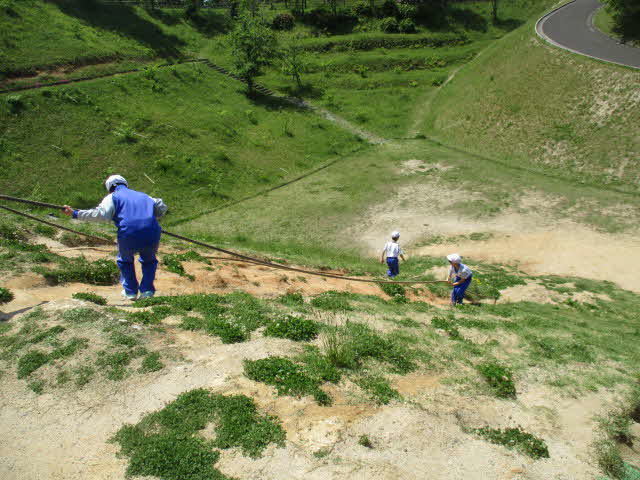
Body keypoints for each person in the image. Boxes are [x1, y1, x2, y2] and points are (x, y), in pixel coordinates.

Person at [62, 175, 168, 301]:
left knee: (125, 260)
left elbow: (100, 214)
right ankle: (147, 291)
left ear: (110, 188)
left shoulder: (112, 197)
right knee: (149, 261)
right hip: (152, 231)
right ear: (126, 184)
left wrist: (75, 213)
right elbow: (161, 207)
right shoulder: (145, 196)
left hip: (128, 231)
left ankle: (130, 292)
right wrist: (150, 215)